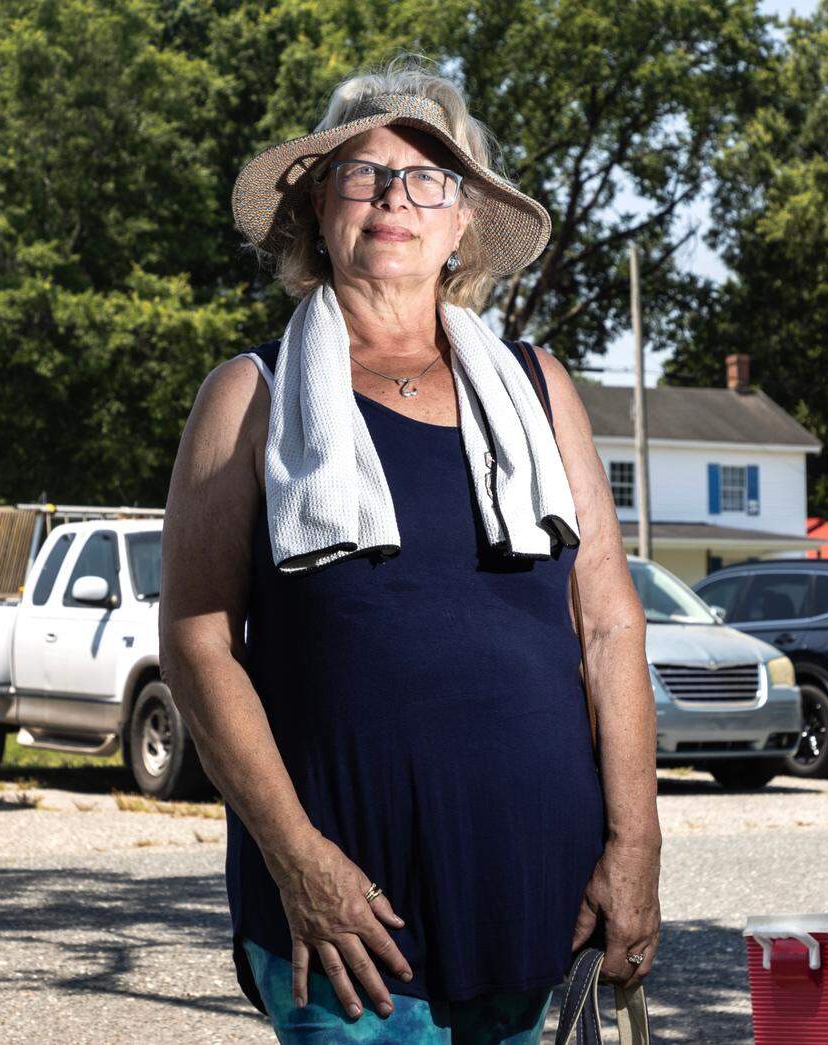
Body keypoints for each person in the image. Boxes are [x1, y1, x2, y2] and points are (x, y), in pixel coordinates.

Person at [159, 57, 662, 1044]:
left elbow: (608, 623)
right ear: (314, 208)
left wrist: (635, 842)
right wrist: (296, 857)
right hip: (349, 928)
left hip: (542, 903)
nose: (396, 197)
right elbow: (197, 643)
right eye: (363, 173)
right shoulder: (248, 397)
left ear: (465, 215)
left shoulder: (539, 386)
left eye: (428, 176)